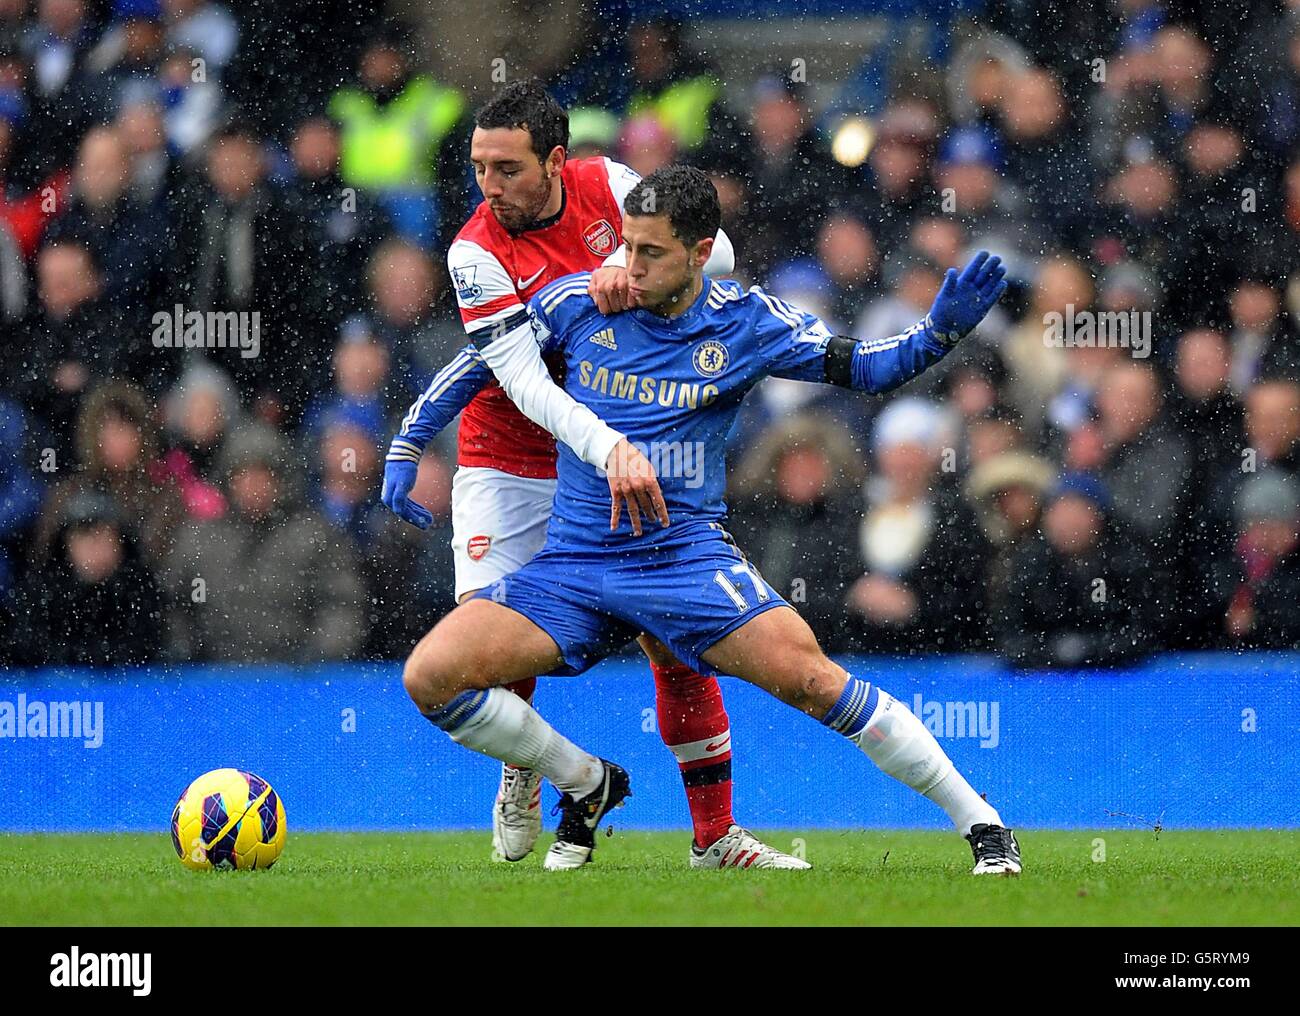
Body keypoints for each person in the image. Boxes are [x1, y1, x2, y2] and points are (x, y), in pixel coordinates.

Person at [399, 165, 1020, 875]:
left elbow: (865, 367)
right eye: (626, 247)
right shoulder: (578, 303)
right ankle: (586, 779)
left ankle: (984, 824)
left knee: (815, 681)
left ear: (700, 253)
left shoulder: (749, 321)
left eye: (651, 252)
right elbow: (484, 360)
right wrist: (408, 439)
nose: (629, 267)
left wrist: (937, 335)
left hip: (683, 562)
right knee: (430, 676)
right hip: (574, 565)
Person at [380, 81, 803, 871]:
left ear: (556, 160)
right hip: (510, 460)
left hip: (619, 449)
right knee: (490, 657)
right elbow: (524, 385)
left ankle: (715, 836)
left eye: (507, 168)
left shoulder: (611, 187)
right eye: (479, 168)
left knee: (672, 640)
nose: (489, 187)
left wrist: (623, 266)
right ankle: (556, 773)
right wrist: (603, 447)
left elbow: (721, 254)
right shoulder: (473, 250)